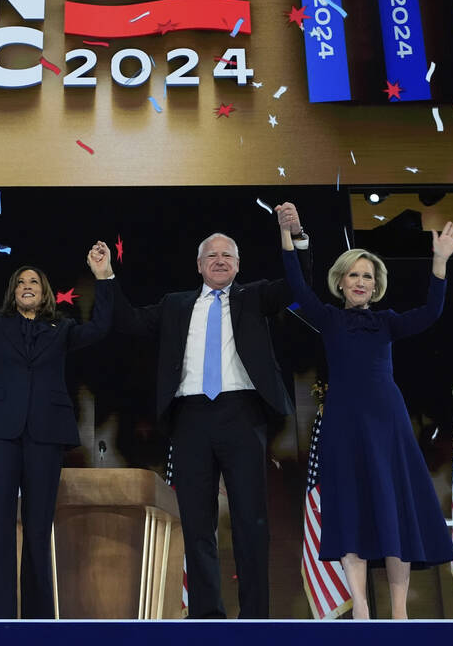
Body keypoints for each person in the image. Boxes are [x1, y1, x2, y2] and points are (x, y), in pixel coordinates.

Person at [110, 207, 310, 619]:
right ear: (199, 265)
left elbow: (298, 286)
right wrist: (105, 278)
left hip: (242, 412)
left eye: (228, 256)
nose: (220, 260)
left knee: (250, 520)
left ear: (238, 265)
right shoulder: (176, 304)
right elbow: (128, 323)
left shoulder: (253, 297)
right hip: (191, 418)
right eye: (212, 256)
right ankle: (206, 616)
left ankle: (254, 617)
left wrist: (295, 235)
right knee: (197, 523)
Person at [278, 215, 453, 619]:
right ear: (340, 282)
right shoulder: (327, 318)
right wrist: (285, 235)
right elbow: (295, 286)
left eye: (368, 276)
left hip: (387, 423)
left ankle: (399, 614)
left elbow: (431, 312)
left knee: (394, 508)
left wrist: (440, 263)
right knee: (350, 508)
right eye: (354, 275)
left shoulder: (387, 322)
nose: (361, 282)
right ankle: (360, 607)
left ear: (375, 286)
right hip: (344, 424)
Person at [0, 239, 115, 619]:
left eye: (34, 281)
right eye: (20, 282)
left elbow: (101, 327)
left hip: (45, 433)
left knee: (37, 524)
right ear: (13, 293)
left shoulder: (62, 329)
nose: (27, 285)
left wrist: (103, 277)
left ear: (45, 292)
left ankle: (38, 619)